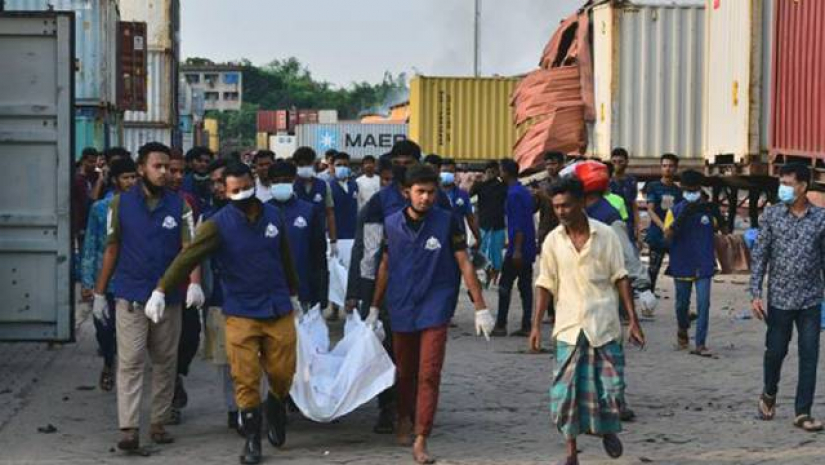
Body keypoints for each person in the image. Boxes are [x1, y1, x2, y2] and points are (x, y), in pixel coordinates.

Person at [154, 161, 301, 464]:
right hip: (241, 311)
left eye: (246, 187)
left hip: (277, 306)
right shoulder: (217, 224)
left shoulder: (274, 215)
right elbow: (187, 257)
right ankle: (251, 440)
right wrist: (161, 290)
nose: (242, 194)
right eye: (235, 190)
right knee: (245, 377)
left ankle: (275, 403)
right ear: (225, 191)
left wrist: (295, 293)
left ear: (254, 183)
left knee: (283, 371)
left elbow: (284, 255)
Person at [371, 165, 494, 464]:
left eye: (430, 192)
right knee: (405, 370)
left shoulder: (447, 222)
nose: (425, 198)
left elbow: (464, 262)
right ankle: (403, 416)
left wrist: (481, 307)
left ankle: (421, 435)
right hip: (401, 305)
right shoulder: (391, 224)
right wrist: (374, 307)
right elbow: (385, 266)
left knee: (429, 372)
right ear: (406, 193)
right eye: (420, 192)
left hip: (436, 305)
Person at [92, 142, 203, 451]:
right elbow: (111, 248)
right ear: (141, 169)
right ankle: (128, 427)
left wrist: (194, 283)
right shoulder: (120, 204)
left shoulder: (180, 205)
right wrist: (100, 293)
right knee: (129, 362)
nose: (165, 172)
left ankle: (158, 421)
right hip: (131, 294)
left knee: (166, 361)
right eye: (158, 166)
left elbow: (189, 250)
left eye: (168, 167)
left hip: (170, 297)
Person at [528, 176, 645, 465]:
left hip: (603, 325)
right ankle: (571, 452)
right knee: (566, 393)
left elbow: (621, 278)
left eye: (566, 205)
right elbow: (545, 284)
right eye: (556, 207)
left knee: (611, 390)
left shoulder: (606, 236)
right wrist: (535, 326)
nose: (562, 212)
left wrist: (633, 320)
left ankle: (606, 430)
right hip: (568, 327)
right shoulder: (553, 241)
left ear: (581, 202)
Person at [345, 139, 453, 435]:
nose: (403, 167)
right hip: (391, 290)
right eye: (399, 162)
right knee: (389, 353)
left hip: (430, 290)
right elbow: (368, 251)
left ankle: (419, 411)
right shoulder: (380, 202)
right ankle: (388, 408)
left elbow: (453, 251)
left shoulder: (437, 200)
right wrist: (360, 293)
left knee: (425, 360)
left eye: (410, 162)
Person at [751, 163, 825, 432]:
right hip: (780, 299)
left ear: (803, 186)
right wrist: (755, 293)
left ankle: (802, 412)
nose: (782, 188)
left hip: (810, 299)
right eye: (781, 183)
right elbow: (760, 255)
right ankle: (769, 392)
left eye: (788, 183)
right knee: (776, 352)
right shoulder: (771, 215)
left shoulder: (820, 219)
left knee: (809, 354)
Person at [80, 157, 138, 392]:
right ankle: (108, 361)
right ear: (115, 180)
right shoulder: (100, 208)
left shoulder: (142, 207)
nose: (131, 182)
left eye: (134, 177)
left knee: (129, 331)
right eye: (126, 177)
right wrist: (87, 280)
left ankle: (125, 372)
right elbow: (91, 244)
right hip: (105, 280)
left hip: (132, 278)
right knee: (103, 327)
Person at [199, 158, 243, 434]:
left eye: (221, 181)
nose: (216, 187)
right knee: (226, 359)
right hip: (218, 297)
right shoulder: (206, 217)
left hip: (250, 297)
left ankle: (253, 405)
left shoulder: (257, 213)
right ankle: (234, 408)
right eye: (213, 182)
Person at [664, 170, 723, 355]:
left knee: (704, 304)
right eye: (688, 190)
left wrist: (717, 214)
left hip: (704, 263)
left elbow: (722, 228)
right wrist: (682, 217)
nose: (692, 193)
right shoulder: (674, 211)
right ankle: (683, 330)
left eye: (695, 190)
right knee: (682, 304)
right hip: (681, 263)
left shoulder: (708, 210)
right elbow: (667, 236)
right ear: (682, 190)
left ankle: (700, 343)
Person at [167, 150, 204, 424]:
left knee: (190, 336)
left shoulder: (188, 201)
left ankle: (177, 373)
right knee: (162, 345)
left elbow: (194, 245)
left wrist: (195, 283)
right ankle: (167, 401)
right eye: (171, 170)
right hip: (152, 285)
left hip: (182, 282)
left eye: (181, 172)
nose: (177, 177)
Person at [269, 160, 327, 310]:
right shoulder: (262, 212)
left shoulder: (308, 210)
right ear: (270, 183)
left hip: (302, 291)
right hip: (270, 293)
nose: (281, 184)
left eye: (286, 181)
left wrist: (320, 293)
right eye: (277, 181)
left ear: (294, 181)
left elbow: (319, 253)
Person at [492, 159, 536, 337]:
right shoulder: (523, 191)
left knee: (505, 286)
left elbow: (517, 223)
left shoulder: (513, 194)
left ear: (506, 173)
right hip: (527, 245)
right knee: (525, 287)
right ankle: (526, 324)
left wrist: (516, 248)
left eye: (500, 171)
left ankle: (501, 324)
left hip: (519, 248)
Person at [644, 153, 682, 291]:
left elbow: (680, 213)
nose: (667, 169)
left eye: (671, 166)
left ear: (676, 168)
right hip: (657, 234)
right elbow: (650, 210)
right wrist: (664, 227)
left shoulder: (678, 191)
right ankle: (648, 302)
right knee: (653, 270)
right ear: (660, 168)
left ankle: (682, 303)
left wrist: (672, 229)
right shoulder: (653, 187)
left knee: (680, 270)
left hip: (673, 236)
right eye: (664, 166)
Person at [470, 161, 508, 287]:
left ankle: (495, 279)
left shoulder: (503, 186)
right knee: (482, 253)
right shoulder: (480, 186)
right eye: (488, 171)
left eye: (493, 171)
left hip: (498, 225)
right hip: (483, 225)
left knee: (496, 254)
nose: (491, 174)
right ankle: (484, 278)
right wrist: (476, 181)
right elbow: (469, 195)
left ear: (497, 172)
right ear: (485, 172)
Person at [439, 158, 481, 245]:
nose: (447, 174)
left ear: (455, 173)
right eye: (444, 171)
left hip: (458, 239)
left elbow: (470, 218)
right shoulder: (433, 193)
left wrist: (478, 237)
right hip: (438, 238)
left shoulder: (462, 195)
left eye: (450, 171)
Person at [609, 148, 641, 245]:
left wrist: (637, 228)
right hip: (610, 221)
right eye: (614, 161)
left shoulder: (631, 180)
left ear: (627, 162)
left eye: (620, 161)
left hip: (628, 222)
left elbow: (634, 205)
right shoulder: (607, 180)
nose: (617, 164)